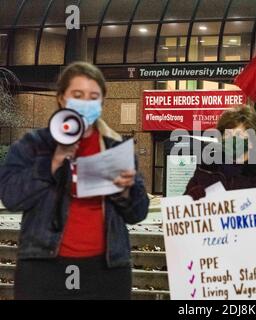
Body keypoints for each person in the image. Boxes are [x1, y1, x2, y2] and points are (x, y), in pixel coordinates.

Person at [0, 62, 149, 300]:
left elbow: (138, 213)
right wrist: (53, 162)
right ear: (61, 98)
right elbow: (11, 196)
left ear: (101, 103)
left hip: (106, 270)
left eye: (93, 97)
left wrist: (126, 192)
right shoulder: (34, 144)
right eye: (78, 95)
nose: (86, 103)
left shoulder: (115, 147)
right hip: (44, 267)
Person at [183, 107, 256, 290]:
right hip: (213, 271)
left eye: (240, 135)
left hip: (252, 272)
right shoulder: (206, 169)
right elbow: (184, 220)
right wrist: (190, 200)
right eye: (228, 135)